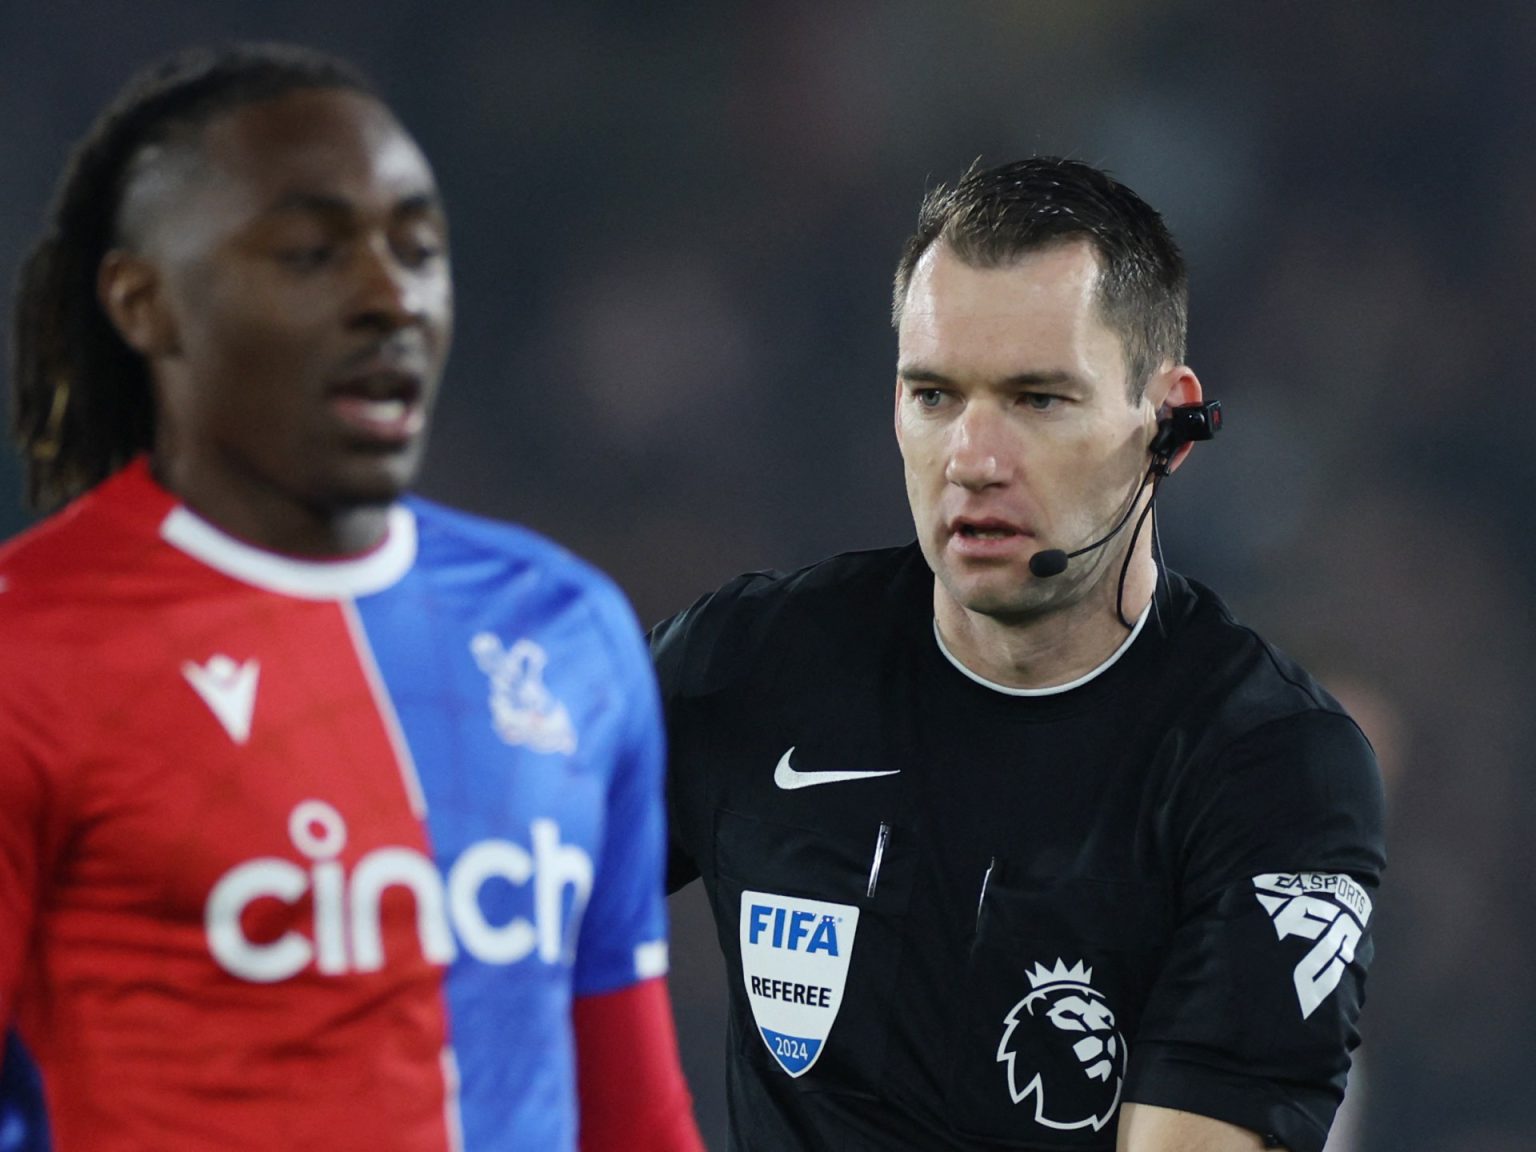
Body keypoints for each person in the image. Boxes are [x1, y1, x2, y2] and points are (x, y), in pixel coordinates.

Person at [0, 43, 704, 1152]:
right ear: (145, 304)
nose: (391, 298)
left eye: (418, 249)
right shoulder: (32, 649)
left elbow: (634, 1118)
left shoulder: (567, 629)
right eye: (311, 253)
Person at [654, 157, 1385, 1152]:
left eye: (1038, 400)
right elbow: (477, 903)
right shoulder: (749, 666)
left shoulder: (1269, 768)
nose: (973, 458)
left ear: (1167, 427)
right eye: (934, 395)